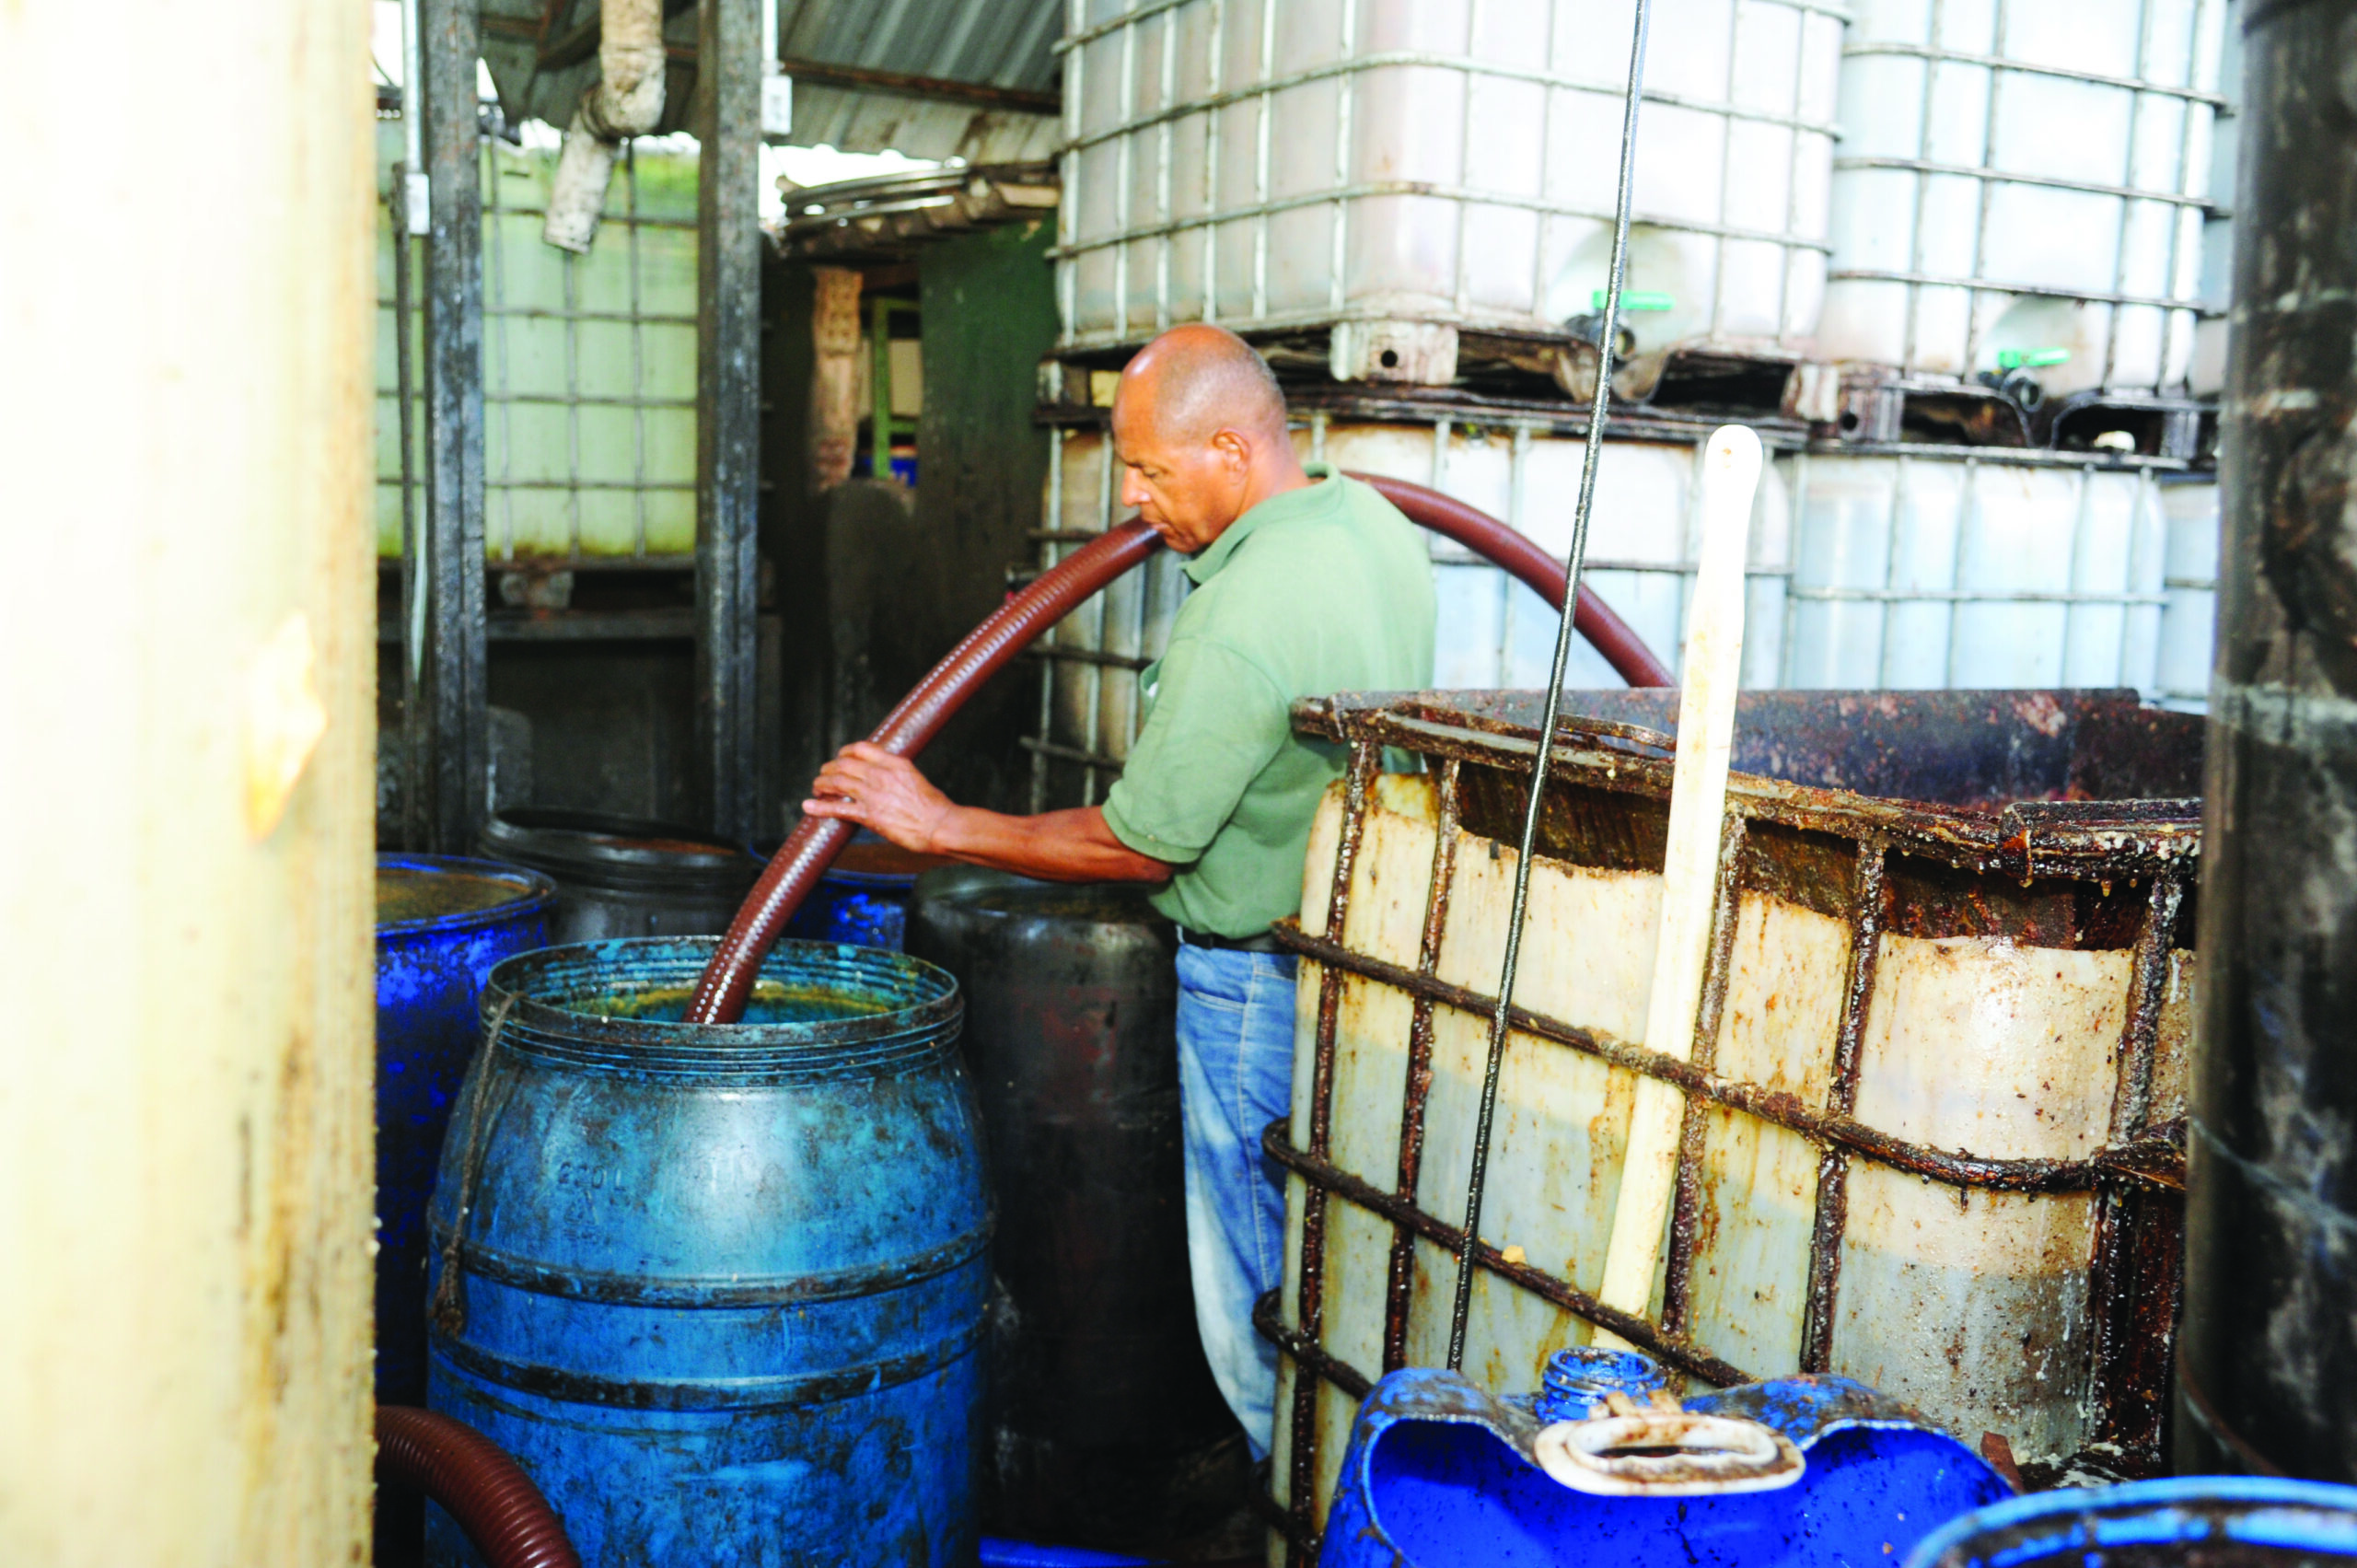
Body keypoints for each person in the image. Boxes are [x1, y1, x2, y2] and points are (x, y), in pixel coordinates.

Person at [804, 322, 1435, 1457]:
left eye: (1150, 469)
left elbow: (1145, 843)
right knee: (1341, 1277)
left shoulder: (1238, 618)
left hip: (1258, 988)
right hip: (1366, 973)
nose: (1132, 499)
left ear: (1234, 452)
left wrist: (939, 821)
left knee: (1260, 1305)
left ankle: (1291, 1503)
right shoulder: (1371, 526)